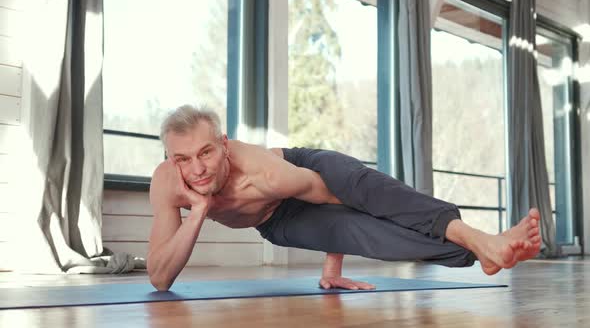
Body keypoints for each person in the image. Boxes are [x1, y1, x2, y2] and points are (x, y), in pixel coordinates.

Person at [147, 105, 541, 292]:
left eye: (206, 153)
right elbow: (160, 279)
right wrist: (199, 211)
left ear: (224, 146)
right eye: (182, 158)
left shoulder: (264, 175)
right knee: (374, 239)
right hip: (277, 221)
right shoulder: (169, 184)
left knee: (373, 192)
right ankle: (480, 250)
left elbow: (339, 200)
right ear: (169, 158)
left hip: (310, 175)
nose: (196, 169)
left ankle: (479, 239)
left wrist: (332, 260)